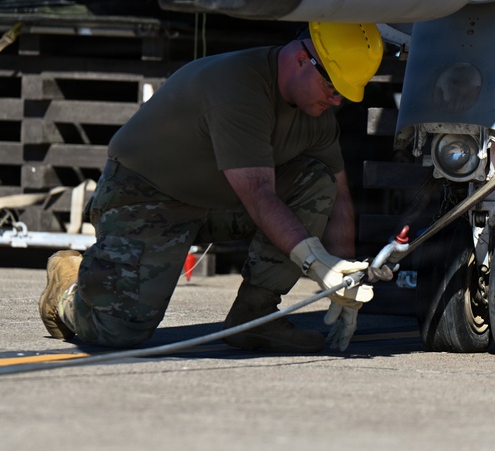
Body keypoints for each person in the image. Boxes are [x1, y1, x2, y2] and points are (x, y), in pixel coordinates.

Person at [39, 22, 385, 353]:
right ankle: (68, 285)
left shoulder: (316, 117)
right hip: (147, 199)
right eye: (333, 87)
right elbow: (259, 194)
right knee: (117, 331)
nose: (338, 100)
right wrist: (317, 261)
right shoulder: (238, 87)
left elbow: (339, 196)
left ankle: (255, 319)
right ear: (300, 60)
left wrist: (344, 285)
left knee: (316, 179)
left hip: (222, 202)